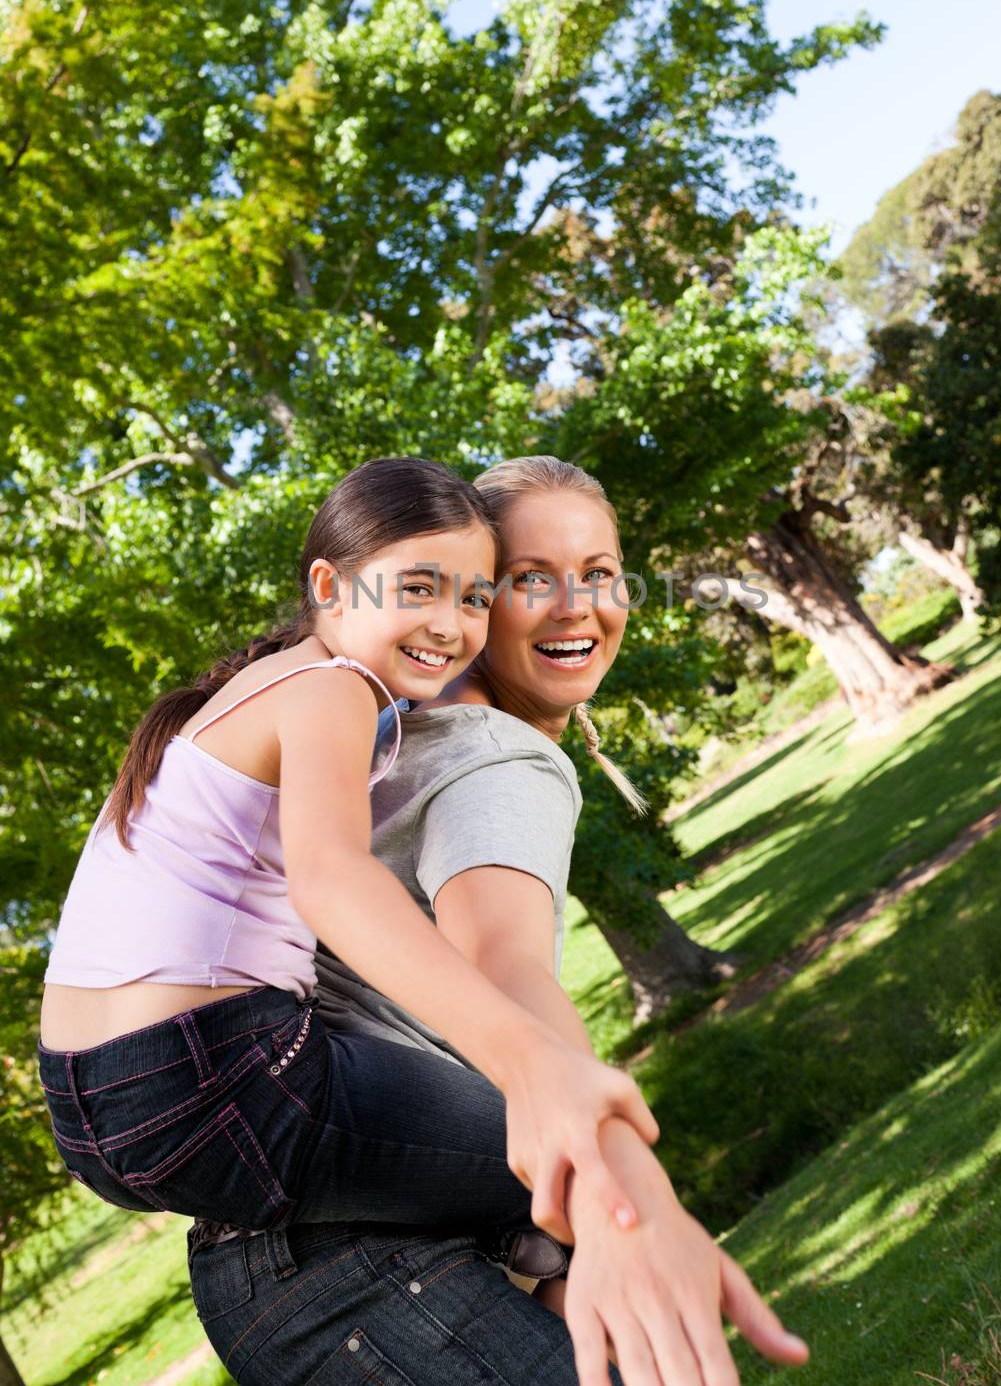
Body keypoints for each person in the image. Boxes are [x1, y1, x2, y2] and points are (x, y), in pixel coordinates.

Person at [188, 457, 809, 1386]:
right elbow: (506, 966)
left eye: (599, 573)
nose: (576, 608)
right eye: (529, 581)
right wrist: (628, 1194)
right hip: (358, 1269)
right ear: (473, 609)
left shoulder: (390, 739)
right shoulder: (493, 757)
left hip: (297, 1261)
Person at [38, 456, 661, 1265]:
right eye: (417, 588)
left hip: (89, 1107)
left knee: (536, 1201)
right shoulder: (333, 691)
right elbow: (331, 879)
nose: (449, 624)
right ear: (330, 588)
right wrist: (535, 1062)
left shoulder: (267, 685)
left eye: (474, 598)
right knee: (579, 1170)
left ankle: (519, 1241)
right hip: (217, 1078)